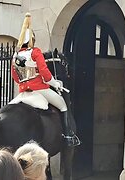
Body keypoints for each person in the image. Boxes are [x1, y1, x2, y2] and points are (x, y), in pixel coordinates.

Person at [9, 12, 78, 146]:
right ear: (32, 40)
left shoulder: (16, 56)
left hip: (23, 92)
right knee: (63, 105)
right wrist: (55, 83)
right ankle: (68, 136)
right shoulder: (35, 52)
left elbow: (15, 77)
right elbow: (45, 73)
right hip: (39, 89)